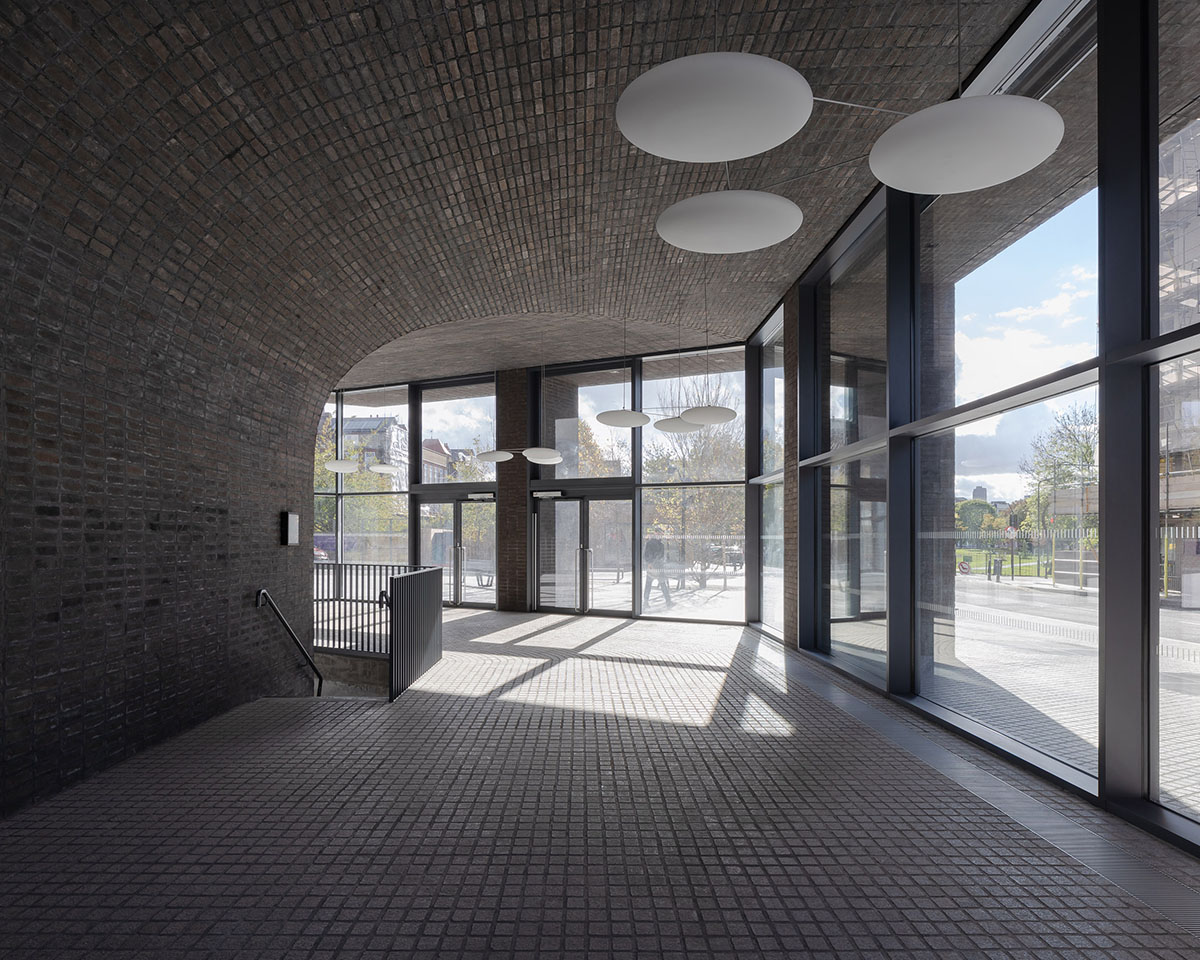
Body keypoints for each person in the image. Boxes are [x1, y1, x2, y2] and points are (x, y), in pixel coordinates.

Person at [643, 529, 673, 607]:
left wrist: (649, 563)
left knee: (650, 584)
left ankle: (646, 601)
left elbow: (647, 555)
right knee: (660, 584)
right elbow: (648, 554)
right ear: (655, 533)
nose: (661, 535)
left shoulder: (653, 543)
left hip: (655, 566)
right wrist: (650, 563)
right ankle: (668, 601)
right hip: (655, 566)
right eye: (660, 533)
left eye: (661, 534)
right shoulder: (656, 544)